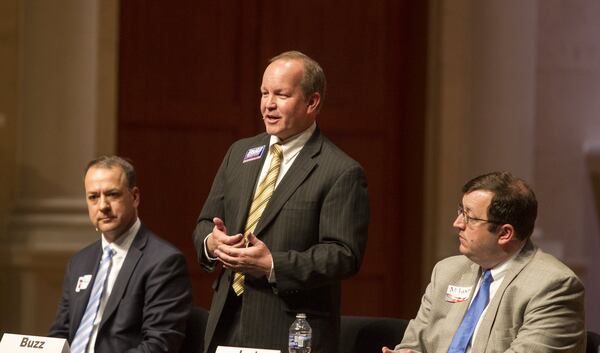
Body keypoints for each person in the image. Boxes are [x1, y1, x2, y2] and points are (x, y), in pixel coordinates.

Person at [192, 50, 369, 353]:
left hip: (289, 328)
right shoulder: (239, 154)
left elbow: (343, 254)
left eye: (281, 95)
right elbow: (205, 222)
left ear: (312, 102)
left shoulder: (340, 171)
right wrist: (212, 242)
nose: (268, 105)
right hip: (226, 321)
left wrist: (272, 264)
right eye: (264, 93)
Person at [383, 172, 586, 353]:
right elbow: (413, 343)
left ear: (505, 233)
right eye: (460, 211)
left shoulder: (553, 286)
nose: (458, 224)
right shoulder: (446, 271)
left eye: (470, 217)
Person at [49, 156, 193, 353]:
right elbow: (60, 333)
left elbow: (159, 345)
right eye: (93, 197)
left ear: (135, 197)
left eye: (112, 194)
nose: (102, 206)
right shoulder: (79, 262)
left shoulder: (164, 262)